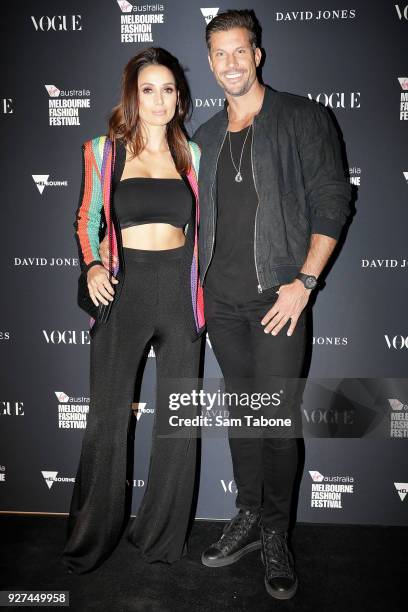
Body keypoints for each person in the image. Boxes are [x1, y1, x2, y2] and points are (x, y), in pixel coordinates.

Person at [191, 9, 351, 601]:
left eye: (240, 51)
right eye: (219, 54)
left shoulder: (302, 117)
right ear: (210, 62)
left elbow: (333, 199)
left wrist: (305, 281)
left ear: (257, 54)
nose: (231, 63)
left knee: (278, 424)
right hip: (223, 305)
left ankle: (277, 531)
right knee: (245, 418)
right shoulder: (204, 138)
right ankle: (250, 517)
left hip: (278, 298)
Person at [60, 47, 205, 575]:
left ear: (180, 98)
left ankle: (161, 537)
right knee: (105, 420)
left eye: (169, 89)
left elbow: (205, 230)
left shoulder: (194, 154)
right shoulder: (103, 151)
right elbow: (86, 217)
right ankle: (90, 540)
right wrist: (93, 266)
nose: (160, 99)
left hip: (181, 291)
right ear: (133, 95)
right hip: (125, 289)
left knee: (178, 422)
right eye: (149, 89)